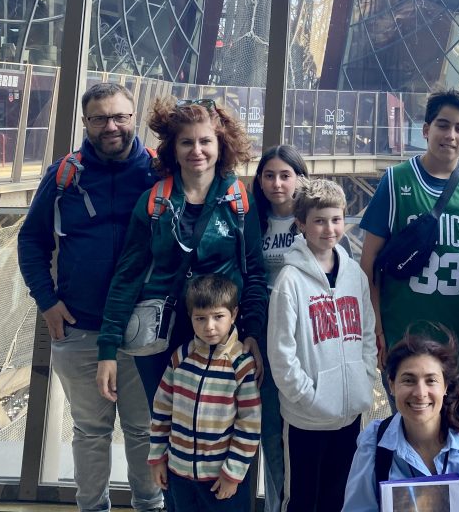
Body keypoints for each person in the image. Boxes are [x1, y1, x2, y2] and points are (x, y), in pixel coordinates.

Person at [18, 83, 163, 512]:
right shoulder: (65, 174)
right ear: (86, 123)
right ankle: (91, 507)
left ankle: (149, 506)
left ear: (134, 118)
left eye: (119, 116)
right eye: (100, 118)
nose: (111, 126)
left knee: (145, 430)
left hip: (144, 332)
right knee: (90, 430)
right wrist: (46, 300)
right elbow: (31, 241)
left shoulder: (158, 172)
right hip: (81, 328)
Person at [95, 96, 267, 451]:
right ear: (173, 148)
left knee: (221, 430)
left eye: (205, 141)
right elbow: (127, 276)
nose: (197, 150)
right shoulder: (154, 202)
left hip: (220, 334)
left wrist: (253, 332)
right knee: (167, 431)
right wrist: (107, 349)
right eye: (186, 142)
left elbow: (254, 274)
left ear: (221, 146)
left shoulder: (239, 201)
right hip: (163, 335)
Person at [359, 89, 459, 373]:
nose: (451, 135)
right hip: (403, 334)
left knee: (454, 416)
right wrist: (376, 328)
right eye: (443, 125)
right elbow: (369, 261)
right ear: (426, 129)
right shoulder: (395, 181)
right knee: (409, 414)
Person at [267, 177, 377, 511]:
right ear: (301, 224)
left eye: (336, 219)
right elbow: (281, 352)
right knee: (302, 498)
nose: (329, 229)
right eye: (318, 221)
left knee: (338, 495)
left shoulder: (354, 275)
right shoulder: (290, 281)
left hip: (349, 412)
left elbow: (367, 333)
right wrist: (306, 396)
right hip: (308, 418)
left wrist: (365, 376)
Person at [341, 329, 459, 511]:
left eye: (431, 381)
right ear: (392, 385)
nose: (420, 393)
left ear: (445, 386)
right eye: (408, 380)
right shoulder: (373, 444)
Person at [148, 273, 261, 512]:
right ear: (190, 318)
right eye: (200, 318)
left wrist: (233, 473)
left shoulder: (241, 364)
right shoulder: (180, 358)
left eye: (218, 317)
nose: (209, 327)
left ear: (234, 314)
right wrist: (158, 458)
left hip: (221, 479)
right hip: (178, 475)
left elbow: (249, 426)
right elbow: (161, 411)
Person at [251, 143, 309, 512]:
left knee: (299, 432)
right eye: (269, 175)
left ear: (300, 179)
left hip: (302, 340)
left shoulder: (316, 221)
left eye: (285, 175)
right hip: (260, 339)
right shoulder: (251, 221)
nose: (277, 184)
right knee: (269, 431)